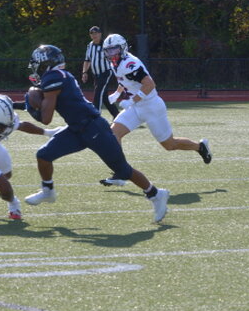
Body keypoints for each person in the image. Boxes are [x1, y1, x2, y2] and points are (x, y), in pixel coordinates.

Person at [21, 44, 170, 223]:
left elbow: (46, 118)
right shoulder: (60, 75)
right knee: (44, 155)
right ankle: (48, 191)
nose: (36, 68)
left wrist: (32, 107)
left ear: (46, 64)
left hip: (94, 128)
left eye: (38, 64)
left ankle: (156, 194)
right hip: (76, 129)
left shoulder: (53, 78)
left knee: (123, 170)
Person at [98, 34, 212, 186]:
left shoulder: (130, 63)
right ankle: (121, 171)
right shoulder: (117, 63)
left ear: (122, 48)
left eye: (114, 50)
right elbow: (125, 79)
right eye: (108, 50)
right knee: (114, 134)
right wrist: (117, 93)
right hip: (137, 107)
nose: (110, 53)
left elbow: (150, 84)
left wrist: (132, 100)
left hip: (151, 106)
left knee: (169, 145)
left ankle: (200, 147)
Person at [81, 26, 119, 118]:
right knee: (104, 97)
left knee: (98, 94)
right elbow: (87, 60)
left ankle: (95, 117)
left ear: (100, 34)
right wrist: (84, 72)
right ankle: (118, 116)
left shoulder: (106, 45)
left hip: (106, 72)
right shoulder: (90, 45)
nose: (94, 35)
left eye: (96, 33)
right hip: (96, 75)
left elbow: (115, 58)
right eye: (92, 33)